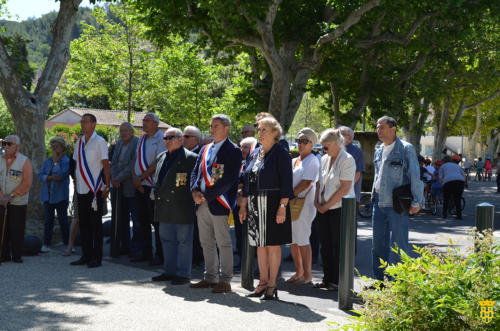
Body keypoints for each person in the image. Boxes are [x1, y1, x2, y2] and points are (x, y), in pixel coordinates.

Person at [239, 116, 293, 300]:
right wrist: (243, 205)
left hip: (274, 203)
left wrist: (283, 207)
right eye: (258, 129)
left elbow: (287, 183)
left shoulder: (282, 153)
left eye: (264, 130)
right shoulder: (255, 153)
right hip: (255, 204)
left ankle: (272, 284)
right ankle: (261, 283)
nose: (259, 133)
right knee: (259, 246)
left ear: (275, 133)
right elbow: (247, 181)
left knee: (272, 245)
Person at [190, 114, 242, 293]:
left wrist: (207, 195)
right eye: (211, 126)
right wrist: (195, 191)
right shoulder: (205, 149)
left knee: (223, 242)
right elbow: (195, 172)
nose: (212, 129)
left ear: (226, 128)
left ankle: (225, 280)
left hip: (219, 202)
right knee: (205, 241)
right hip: (202, 202)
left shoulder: (233, 150)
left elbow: (229, 179)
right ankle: (210, 276)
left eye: (216, 126)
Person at [371, 116, 423, 282]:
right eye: (377, 128)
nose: (378, 131)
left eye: (382, 127)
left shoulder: (406, 149)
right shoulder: (378, 149)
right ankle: (380, 282)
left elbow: (415, 175)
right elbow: (377, 176)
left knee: (399, 245)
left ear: (393, 129)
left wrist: (417, 201)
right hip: (378, 202)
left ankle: (398, 285)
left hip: (397, 203)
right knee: (378, 245)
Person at [151, 128, 198, 285]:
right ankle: (169, 271)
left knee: (184, 241)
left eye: (170, 137)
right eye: (165, 138)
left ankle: (183, 273)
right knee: (166, 239)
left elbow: (194, 183)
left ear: (180, 139)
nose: (166, 140)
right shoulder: (161, 157)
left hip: (182, 205)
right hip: (164, 205)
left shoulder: (191, 158)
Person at [311, 129, 355, 291]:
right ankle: (327, 278)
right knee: (325, 244)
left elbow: (345, 188)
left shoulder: (347, 159)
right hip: (323, 208)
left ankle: (337, 281)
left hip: (339, 208)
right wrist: (316, 201)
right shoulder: (323, 159)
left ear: (337, 144)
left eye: (326, 146)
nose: (324, 149)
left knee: (337, 245)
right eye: (322, 146)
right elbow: (318, 182)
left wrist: (326, 205)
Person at [71, 114, 111, 268]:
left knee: (95, 225)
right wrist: (75, 183)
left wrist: (107, 186)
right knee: (84, 224)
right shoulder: (79, 141)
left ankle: (96, 257)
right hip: (81, 188)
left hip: (95, 189)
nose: (83, 124)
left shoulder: (100, 142)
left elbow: (106, 165)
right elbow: (76, 164)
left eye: (86, 121)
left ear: (94, 124)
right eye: (82, 121)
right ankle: (86, 255)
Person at [132, 113, 166, 265]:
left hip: (152, 186)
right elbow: (135, 159)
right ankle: (146, 253)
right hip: (139, 186)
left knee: (156, 222)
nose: (144, 123)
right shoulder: (142, 139)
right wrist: (134, 177)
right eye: (144, 120)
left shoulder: (161, 139)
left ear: (156, 124)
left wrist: (141, 178)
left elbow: (158, 162)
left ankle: (160, 255)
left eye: (147, 121)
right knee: (142, 221)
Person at [287, 128, 319, 285]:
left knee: (303, 239)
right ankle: (298, 272)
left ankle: (308, 275)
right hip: (292, 203)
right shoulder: (294, 160)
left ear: (312, 144)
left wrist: (289, 195)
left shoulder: (312, 160)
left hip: (303, 204)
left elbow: (306, 182)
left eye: (305, 141)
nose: (301, 144)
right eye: (299, 141)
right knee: (292, 240)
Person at [0, 135, 33, 263]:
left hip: (18, 201)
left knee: (17, 228)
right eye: (5, 143)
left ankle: (17, 255)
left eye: (9, 144)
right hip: (1, 200)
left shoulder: (25, 161)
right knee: (2, 228)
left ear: (17, 147)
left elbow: (27, 183)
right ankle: (3, 255)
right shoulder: (0, 159)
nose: (6, 146)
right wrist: (2, 196)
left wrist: (11, 195)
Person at [110, 122, 139, 256]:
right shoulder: (119, 143)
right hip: (117, 186)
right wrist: (114, 177)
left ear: (132, 132)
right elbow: (114, 162)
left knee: (135, 218)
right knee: (121, 218)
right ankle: (124, 245)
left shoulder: (137, 143)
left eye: (126, 131)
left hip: (130, 186)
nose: (123, 133)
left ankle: (136, 247)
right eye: (121, 131)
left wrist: (118, 178)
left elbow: (132, 165)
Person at [39, 137, 70, 253]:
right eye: (52, 147)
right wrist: (49, 177)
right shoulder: (47, 161)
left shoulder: (66, 161)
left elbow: (60, 175)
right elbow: (40, 175)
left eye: (56, 146)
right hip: (47, 195)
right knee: (48, 220)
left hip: (60, 195)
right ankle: (47, 243)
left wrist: (56, 162)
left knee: (63, 220)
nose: (53, 149)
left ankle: (67, 242)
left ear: (62, 148)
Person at [233, 136, 258, 271]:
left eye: (246, 147)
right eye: (241, 147)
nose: (243, 150)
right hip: (237, 204)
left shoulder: (254, 162)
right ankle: (242, 262)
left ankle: (252, 265)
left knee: (251, 236)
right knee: (239, 234)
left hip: (250, 204)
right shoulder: (240, 163)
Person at [183, 125, 203, 266]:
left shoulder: (199, 154)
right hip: (184, 197)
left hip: (195, 197)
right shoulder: (183, 153)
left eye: (187, 136)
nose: (183, 139)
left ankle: (196, 258)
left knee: (196, 231)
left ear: (196, 139)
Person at [439, 155, 466, 220]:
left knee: (446, 199)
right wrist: (464, 183)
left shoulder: (442, 166)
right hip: (460, 181)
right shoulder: (457, 166)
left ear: (443, 161)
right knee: (457, 199)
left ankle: (444, 214)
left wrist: (442, 185)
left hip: (448, 182)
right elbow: (464, 175)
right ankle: (459, 215)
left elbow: (440, 178)